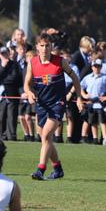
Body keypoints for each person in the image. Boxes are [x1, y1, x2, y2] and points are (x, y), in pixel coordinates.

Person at [24, 32, 84, 180]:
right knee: (46, 139)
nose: (44, 49)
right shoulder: (32, 63)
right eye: (42, 45)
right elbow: (26, 84)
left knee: (45, 135)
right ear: (37, 46)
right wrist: (29, 93)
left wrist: (79, 98)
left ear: (51, 47)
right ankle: (57, 168)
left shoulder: (60, 61)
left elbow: (75, 78)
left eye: (47, 46)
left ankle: (40, 169)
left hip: (57, 103)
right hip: (42, 104)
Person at [80, 57, 106, 144]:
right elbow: (80, 86)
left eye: (98, 66)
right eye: (95, 66)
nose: (96, 68)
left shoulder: (105, 78)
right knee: (92, 121)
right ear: (92, 67)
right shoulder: (87, 77)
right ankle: (95, 138)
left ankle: (104, 138)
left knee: (103, 121)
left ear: (101, 67)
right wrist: (84, 95)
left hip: (100, 103)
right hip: (91, 103)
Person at [0, 46, 23, 141]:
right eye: (2, 54)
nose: (4, 55)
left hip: (12, 92)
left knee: (12, 115)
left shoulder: (15, 65)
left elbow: (14, 78)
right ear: (0, 55)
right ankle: (3, 135)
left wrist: (2, 80)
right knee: (2, 115)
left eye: (6, 53)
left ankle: (12, 135)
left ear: (9, 54)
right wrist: (3, 66)